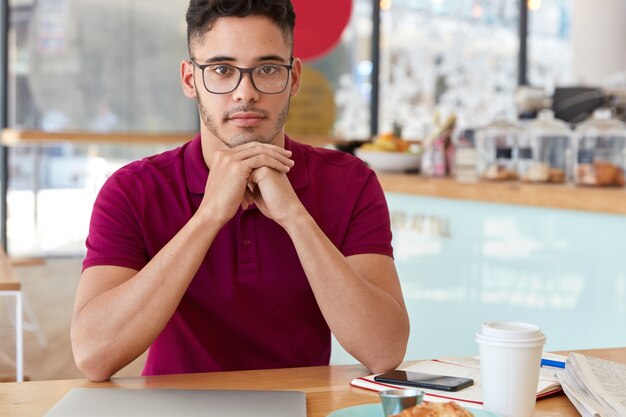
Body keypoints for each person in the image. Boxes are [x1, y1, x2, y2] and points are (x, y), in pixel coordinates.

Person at [71, 0, 409, 382]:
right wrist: (209, 215)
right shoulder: (132, 190)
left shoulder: (351, 182)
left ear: (294, 78)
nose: (244, 93)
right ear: (190, 80)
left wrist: (294, 217)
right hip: (175, 409)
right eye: (221, 69)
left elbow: (384, 352)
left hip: (303, 405)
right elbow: (93, 354)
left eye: (266, 69)